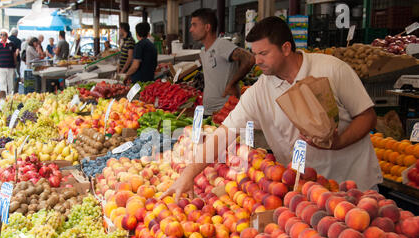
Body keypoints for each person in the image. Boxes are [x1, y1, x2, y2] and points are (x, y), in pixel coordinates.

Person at [162, 16, 382, 201]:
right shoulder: (260, 91)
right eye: (254, 53)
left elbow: (367, 116)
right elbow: (224, 134)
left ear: (286, 48)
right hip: (306, 193)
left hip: (354, 185)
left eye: (263, 53)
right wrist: (188, 174)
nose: (256, 61)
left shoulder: (332, 70)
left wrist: (339, 143)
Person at [189, 8, 255, 116]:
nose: (191, 29)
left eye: (194, 25)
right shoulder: (204, 51)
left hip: (224, 112)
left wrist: (233, 83)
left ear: (207, 27)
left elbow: (249, 59)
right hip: (209, 111)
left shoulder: (221, 45)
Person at [0, 29, 19, 98]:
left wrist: (15, 63)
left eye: (4, 35)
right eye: (1, 35)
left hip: (10, 66)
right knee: (2, 83)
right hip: (1, 66)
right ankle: (3, 98)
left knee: (10, 83)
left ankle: (10, 97)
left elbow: (14, 55)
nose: (3, 36)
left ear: (7, 36)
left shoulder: (11, 44)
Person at [9, 28, 22, 93]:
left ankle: (9, 90)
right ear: (16, 34)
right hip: (16, 60)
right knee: (16, 75)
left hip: (7, 60)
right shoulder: (18, 41)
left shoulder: (7, 39)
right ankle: (15, 90)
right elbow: (17, 51)